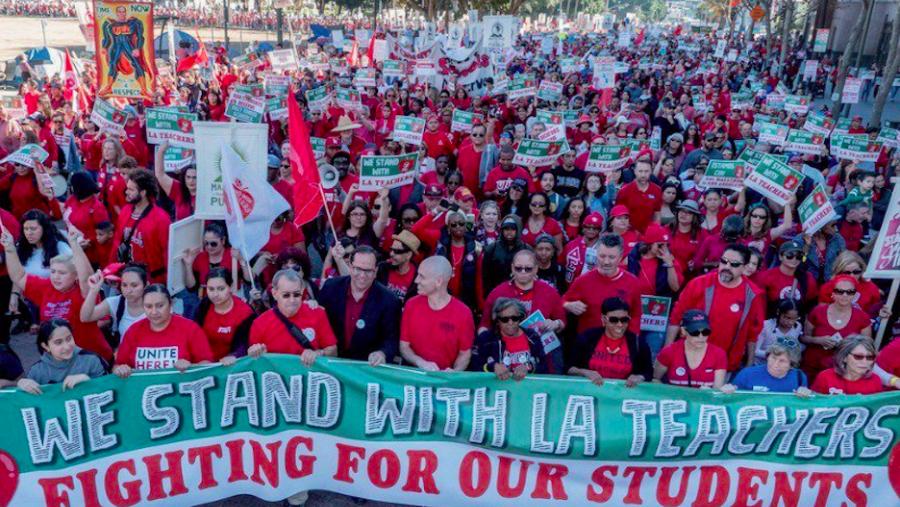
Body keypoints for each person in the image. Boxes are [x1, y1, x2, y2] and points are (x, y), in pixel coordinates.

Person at [2, 224, 113, 362]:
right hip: (59, 360)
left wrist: (74, 244)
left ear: (75, 276)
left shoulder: (83, 288)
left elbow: (86, 276)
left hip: (90, 357)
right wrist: (10, 249)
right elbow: (19, 277)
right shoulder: (46, 287)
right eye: (53, 271)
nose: (56, 277)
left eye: (62, 273)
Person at [667, 243, 765, 372]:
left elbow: (753, 334)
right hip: (689, 361)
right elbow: (675, 319)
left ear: (745, 267)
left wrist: (748, 367)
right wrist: (666, 354)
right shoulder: (698, 284)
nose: (726, 267)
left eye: (734, 264)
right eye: (724, 261)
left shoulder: (753, 295)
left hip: (726, 367)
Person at [319, 246, 401, 365]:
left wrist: (382, 353)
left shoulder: (389, 300)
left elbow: (391, 340)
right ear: (350, 267)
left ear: (376, 271)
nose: (362, 275)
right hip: (330, 364)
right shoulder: (331, 287)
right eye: (358, 269)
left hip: (365, 369)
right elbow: (317, 321)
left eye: (368, 271)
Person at [113, 285, 213, 376]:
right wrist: (120, 369)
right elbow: (117, 366)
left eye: (160, 306)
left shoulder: (190, 329)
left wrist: (191, 366)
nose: (154, 312)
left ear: (170, 304)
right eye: (148, 306)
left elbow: (208, 364)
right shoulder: (133, 331)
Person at [247, 269, 338, 365]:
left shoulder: (317, 313)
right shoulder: (259, 323)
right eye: (286, 295)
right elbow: (252, 363)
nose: (292, 300)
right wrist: (254, 353)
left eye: (296, 294)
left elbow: (333, 351)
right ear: (274, 294)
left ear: (302, 292)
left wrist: (318, 353)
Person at [399, 256, 474, 371]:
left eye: (422, 277)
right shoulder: (411, 305)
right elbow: (404, 346)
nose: (416, 280)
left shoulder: (463, 313)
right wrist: (420, 362)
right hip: (414, 377)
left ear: (438, 281)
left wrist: (455, 372)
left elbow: (464, 353)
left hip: (444, 381)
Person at [563, 233, 642, 334]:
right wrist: (568, 305)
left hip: (620, 344)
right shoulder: (583, 281)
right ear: (596, 254)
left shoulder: (632, 283)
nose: (606, 261)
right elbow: (562, 301)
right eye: (602, 256)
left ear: (620, 257)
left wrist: (631, 340)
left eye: (612, 257)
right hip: (588, 343)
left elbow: (636, 315)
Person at [568, 297, 652, 386]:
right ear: (604, 319)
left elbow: (648, 372)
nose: (620, 325)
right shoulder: (588, 337)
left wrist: (639, 377)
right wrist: (584, 372)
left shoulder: (638, 343)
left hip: (622, 393)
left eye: (624, 320)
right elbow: (569, 368)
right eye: (614, 320)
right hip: (591, 391)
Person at [801, 275, 872, 379]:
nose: (844, 295)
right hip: (813, 368)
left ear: (854, 295)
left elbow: (867, 347)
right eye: (840, 291)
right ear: (833, 293)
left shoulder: (862, 317)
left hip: (844, 371)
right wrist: (818, 340)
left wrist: (847, 345)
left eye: (850, 292)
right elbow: (803, 338)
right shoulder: (818, 311)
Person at [108, 170, 171, 283]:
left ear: (143, 193)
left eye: (131, 189)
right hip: (127, 276)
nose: (126, 192)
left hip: (151, 280)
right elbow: (117, 242)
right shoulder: (125, 211)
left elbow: (166, 253)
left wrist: (167, 283)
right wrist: (111, 270)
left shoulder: (161, 218)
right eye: (127, 188)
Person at [471, 298, 551, 379]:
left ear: (520, 318)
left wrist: (529, 367)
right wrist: (492, 367)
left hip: (527, 388)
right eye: (504, 319)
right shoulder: (486, 338)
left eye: (514, 318)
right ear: (497, 321)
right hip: (498, 387)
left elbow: (544, 365)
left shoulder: (532, 336)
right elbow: (474, 366)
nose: (510, 323)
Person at [655, 310, 727, 389]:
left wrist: (708, 392)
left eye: (705, 332)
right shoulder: (669, 352)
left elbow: (717, 389)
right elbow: (655, 380)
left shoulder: (719, 354)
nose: (701, 337)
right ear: (683, 331)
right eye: (695, 332)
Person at [80, 264, 147, 348]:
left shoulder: (156, 303)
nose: (129, 290)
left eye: (134, 285)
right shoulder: (117, 302)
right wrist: (93, 290)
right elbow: (85, 317)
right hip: (127, 358)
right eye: (124, 285)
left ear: (146, 285)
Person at [197, 268, 255, 362]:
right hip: (204, 363)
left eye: (221, 289)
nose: (215, 294)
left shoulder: (245, 313)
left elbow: (246, 343)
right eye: (211, 289)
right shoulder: (204, 305)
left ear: (231, 287)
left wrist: (234, 355)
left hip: (231, 364)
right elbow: (194, 334)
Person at [721, 343, 810, 394]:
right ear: (767, 356)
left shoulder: (799, 377)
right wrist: (727, 392)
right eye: (773, 358)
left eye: (782, 361)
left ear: (791, 365)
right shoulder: (747, 374)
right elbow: (731, 401)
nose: (775, 364)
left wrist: (805, 395)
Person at [811, 335, 883, 395]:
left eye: (870, 357)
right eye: (858, 356)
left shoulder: (875, 381)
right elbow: (813, 402)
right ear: (844, 357)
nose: (865, 362)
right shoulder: (825, 377)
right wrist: (804, 395)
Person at [482, 214, 528, 295]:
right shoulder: (492, 248)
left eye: (513, 229)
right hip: (497, 294)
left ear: (518, 229)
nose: (509, 232)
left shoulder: (526, 249)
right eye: (506, 228)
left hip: (520, 294)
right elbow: (486, 277)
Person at [615, 159, 662, 233]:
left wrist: (656, 232)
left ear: (651, 172)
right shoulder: (624, 191)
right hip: (628, 234)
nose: (643, 175)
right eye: (640, 171)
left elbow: (657, 215)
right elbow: (617, 216)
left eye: (646, 171)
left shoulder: (657, 190)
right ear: (635, 171)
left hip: (648, 235)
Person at [376, 230, 420, 301]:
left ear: (409, 255)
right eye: (391, 249)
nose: (391, 254)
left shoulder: (418, 277)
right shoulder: (382, 268)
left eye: (397, 251)